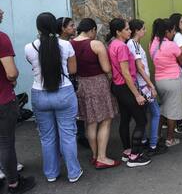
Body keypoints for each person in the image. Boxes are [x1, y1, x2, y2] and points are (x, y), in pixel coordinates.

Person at [25, 12, 83, 183]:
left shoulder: (29, 48)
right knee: (68, 134)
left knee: (47, 137)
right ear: (54, 27)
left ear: (38, 27)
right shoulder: (66, 45)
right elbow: (72, 71)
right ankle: (73, 172)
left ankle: (51, 173)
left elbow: (34, 66)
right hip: (64, 93)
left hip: (40, 95)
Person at [70, 18, 120, 169]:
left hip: (82, 84)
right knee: (105, 119)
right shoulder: (96, 44)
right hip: (98, 83)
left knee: (90, 121)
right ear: (91, 30)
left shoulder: (70, 44)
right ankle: (102, 157)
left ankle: (94, 155)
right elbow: (106, 68)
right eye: (94, 31)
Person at [0, 8, 35, 194]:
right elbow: (11, 73)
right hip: (2, 100)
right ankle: (13, 183)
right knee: (6, 142)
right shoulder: (1, 38)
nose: (2, 11)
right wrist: (12, 80)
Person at [107, 18, 151, 168]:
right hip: (125, 87)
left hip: (118, 86)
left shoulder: (113, 44)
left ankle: (127, 151)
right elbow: (126, 73)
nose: (130, 31)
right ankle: (135, 156)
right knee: (141, 120)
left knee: (125, 119)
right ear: (118, 32)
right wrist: (137, 94)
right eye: (126, 29)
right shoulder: (122, 47)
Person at [127, 19, 167, 156]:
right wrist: (151, 86)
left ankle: (144, 141)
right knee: (155, 113)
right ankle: (154, 144)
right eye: (143, 28)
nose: (145, 31)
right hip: (143, 85)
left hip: (140, 84)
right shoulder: (134, 44)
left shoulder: (132, 44)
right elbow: (139, 67)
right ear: (137, 31)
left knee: (143, 115)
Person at [150, 18, 182, 147]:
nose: (173, 34)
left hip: (159, 80)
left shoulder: (153, 44)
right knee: (172, 110)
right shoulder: (171, 45)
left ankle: (157, 134)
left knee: (163, 107)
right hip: (173, 80)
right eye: (173, 31)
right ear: (167, 31)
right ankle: (170, 139)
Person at [57, 17, 88, 148]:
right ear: (63, 29)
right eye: (71, 26)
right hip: (65, 82)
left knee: (78, 108)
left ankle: (80, 134)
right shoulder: (61, 44)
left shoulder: (71, 42)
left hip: (71, 81)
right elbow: (72, 68)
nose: (74, 28)